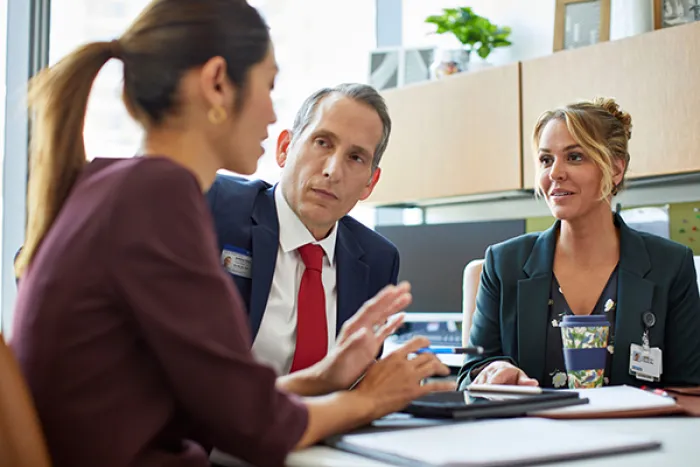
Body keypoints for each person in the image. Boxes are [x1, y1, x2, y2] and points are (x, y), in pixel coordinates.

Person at [10, 1, 453, 467]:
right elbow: (257, 426)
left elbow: (220, 407)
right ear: (218, 83)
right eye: (269, 85)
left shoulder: (119, 186)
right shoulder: (161, 195)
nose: (270, 113)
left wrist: (323, 376)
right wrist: (370, 399)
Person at [458, 97, 700, 390]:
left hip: (636, 432)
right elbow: (470, 374)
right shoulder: (504, 263)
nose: (554, 173)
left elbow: (690, 387)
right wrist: (493, 370)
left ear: (614, 169)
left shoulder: (670, 265)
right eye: (546, 159)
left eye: (574, 157)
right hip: (532, 432)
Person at [206, 83, 399, 375]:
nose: (333, 171)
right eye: (323, 142)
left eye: (355, 157)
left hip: (324, 419)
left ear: (370, 183)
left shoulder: (377, 259)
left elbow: (357, 380)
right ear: (285, 148)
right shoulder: (216, 204)